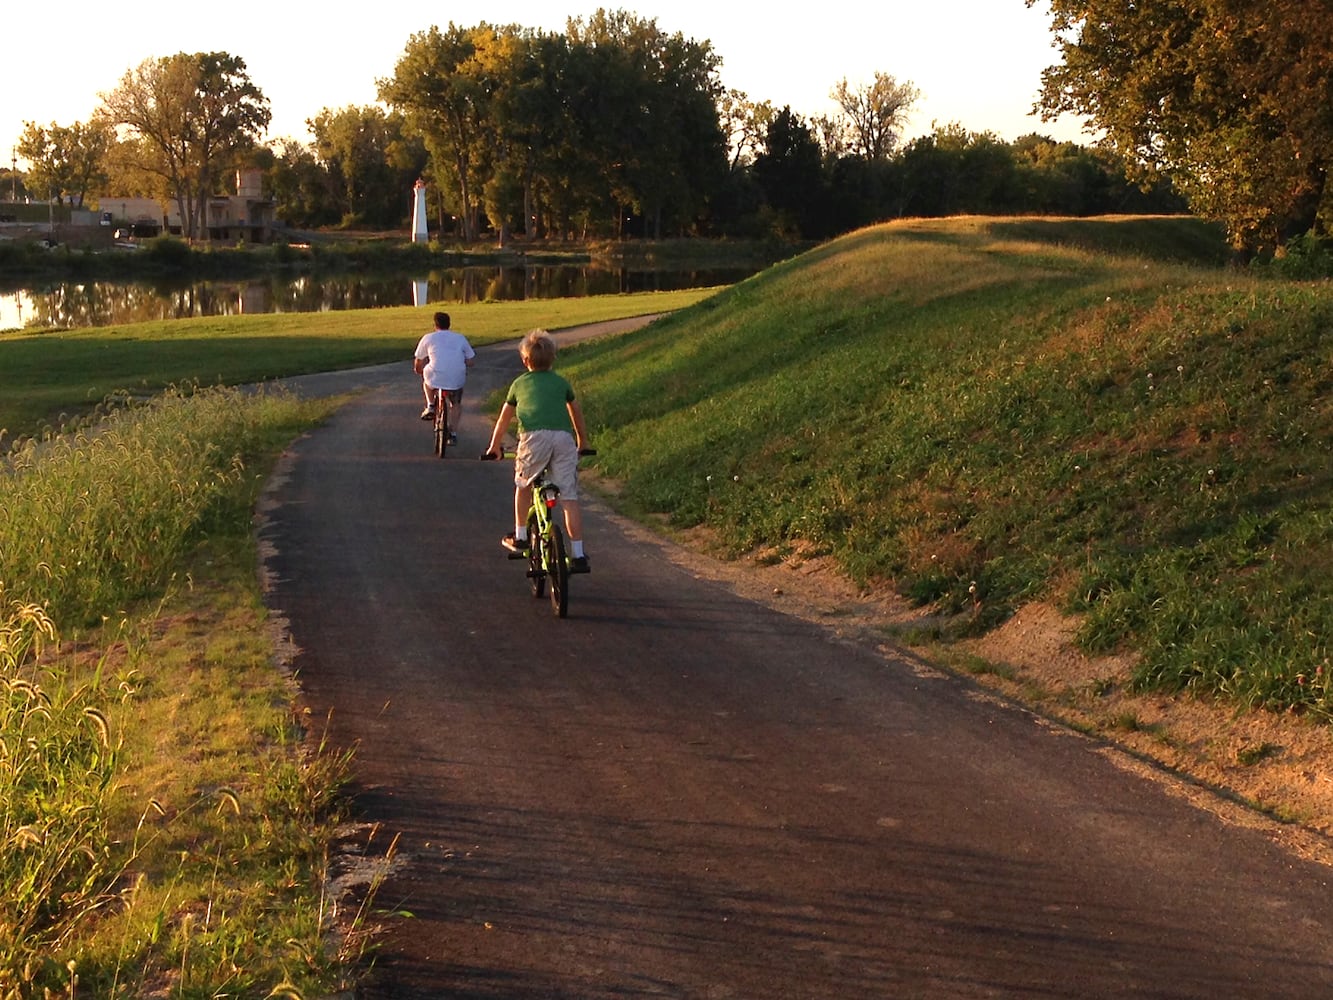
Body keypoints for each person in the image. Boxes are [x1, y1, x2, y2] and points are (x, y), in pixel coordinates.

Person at [484, 329, 592, 574]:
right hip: (563, 440)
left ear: (525, 361)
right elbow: (575, 412)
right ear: (553, 358)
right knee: (569, 498)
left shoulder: (519, 384)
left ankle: (521, 535)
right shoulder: (562, 382)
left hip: (534, 438)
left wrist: (494, 446)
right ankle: (577, 553)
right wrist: (582, 441)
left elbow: (504, 419)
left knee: (523, 485)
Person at [413, 311, 475, 443]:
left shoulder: (428, 338)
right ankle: (453, 433)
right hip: (456, 378)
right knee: (456, 404)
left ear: (435, 325)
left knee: (426, 378)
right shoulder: (460, 338)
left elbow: (419, 361)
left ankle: (430, 405)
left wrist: (418, 370)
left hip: (435, 377)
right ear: (449, 324)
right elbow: (471, 361)